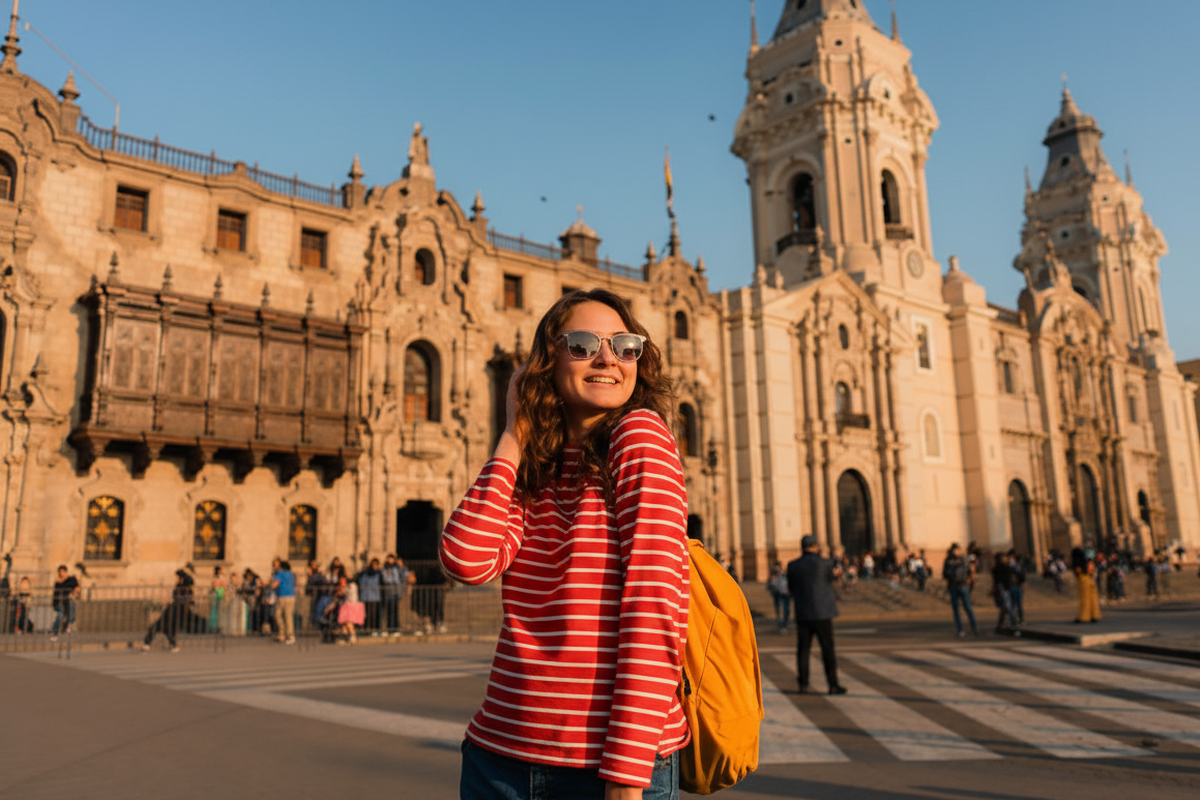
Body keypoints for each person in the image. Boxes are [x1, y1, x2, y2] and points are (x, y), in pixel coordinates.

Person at [440, 289, 688, 799]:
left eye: (625, 345)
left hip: (599, 767)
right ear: (548, 360)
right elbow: (465, 560)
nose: (607, 358)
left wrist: (626, 774)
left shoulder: (640, 435)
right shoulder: (538, 466)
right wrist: (514, 434)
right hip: (498, 757)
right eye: (581, 344)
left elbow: (655, 603)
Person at [787, 535, 846, 695]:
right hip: (823, 613)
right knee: (827, 650)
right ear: (815, 547)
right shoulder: (825, 564)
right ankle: (832, 684)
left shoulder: (793, 566)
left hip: (803, 612)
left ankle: (803, 684)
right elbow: (831, 580)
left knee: (803, 650)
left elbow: (791, 588)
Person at [142, 567, 197, 652]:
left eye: (179, 578)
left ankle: (148, 644)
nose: (177, 580)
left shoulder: (184, 590)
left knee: (161, 627)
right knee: (164, 628)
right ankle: (171, 645)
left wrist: (174, 603)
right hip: (173, 611)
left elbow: (184, 600)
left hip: (175, 612)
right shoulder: (183, 589)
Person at [943, 544, 977, 637]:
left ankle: (974, 626)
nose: (956, 553)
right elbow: (945, 573)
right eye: (954, 551)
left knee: (967, 607)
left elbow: (970, 570)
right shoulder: (949, 561)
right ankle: (960, 629)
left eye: (957, 550)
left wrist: (971, 580)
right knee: (956, 609)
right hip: (953, 586)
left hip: (963, 585)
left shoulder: (964, 559)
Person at [380, 554, 413, 633]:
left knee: (395, 611)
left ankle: (395, 628)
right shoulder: (385, 569)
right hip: (388, 592)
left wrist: (402, 566)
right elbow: (387, 579)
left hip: (397, 592)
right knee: (389, 612)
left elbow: (405, 574)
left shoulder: (397, 568)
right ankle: (389, 628)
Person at [50, 564, 80, 642]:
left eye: (63, 572)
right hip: (60, 602)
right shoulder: (58, 582)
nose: (61, 574)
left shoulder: (71, 579)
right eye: (60, 572)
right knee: (60, 615)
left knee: (71, 603)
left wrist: (75, 593)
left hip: (67, 600)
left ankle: (70, 622)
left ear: (66, 572)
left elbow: (76, 588)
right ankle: (55, 633)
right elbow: (55, 594)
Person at [1072, 547, 1101, 623]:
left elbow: (1078, 571)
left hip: (1083, 579)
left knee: (1085, 599)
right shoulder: (1086, 561)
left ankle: (1084, 617)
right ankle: (1094, 615)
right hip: (1090, 579)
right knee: (1093, 599)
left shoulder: (1077, 562)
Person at [990, 553, 1017, 634]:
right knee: (1007, 607)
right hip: (1003, 589)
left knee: (1005, 608)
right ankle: (1011, 624)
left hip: (1005, 589)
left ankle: (1005, 623)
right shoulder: (1001, 568)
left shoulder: (1003, 568)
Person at [272, 559, 296, 644]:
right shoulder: (291, 574)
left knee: (278, 614)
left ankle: (285, 633)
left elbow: (275, 584)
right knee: (288, 616)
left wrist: (270, 584)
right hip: (291, 596)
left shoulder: (280, 573)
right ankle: (288, 635)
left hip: (283, 596)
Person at [358, 557, 383, 635]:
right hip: (367, 596)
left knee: (375, 614)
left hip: (375, 597)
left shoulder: (379, 574)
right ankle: (367, 629)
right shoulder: (365, 573)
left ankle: (374, 629)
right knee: (367, 614)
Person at [767, 561, 790, 634]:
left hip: (786, 594)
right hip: (777, 595)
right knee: (779, 610)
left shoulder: (785, 575)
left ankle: (784, 624)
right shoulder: (772, 576)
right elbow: (769, 585)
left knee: (786, 610)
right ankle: (782, 625)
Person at [1006, 550, 1025, 626]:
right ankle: (1014, 620)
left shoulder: (1017, 565)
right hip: (1012, 587)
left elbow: (1022, 576)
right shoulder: (1009, 566)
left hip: (1017, 586)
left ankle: (1020, 619)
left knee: (1018, 605)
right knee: (1013, 605)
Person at [208, 566, 227, 633]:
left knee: (220, 612)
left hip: (220, 595)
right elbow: (215, 586)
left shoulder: (221, 578)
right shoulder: (215, 578)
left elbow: (224, 586)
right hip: (216, 595)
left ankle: (218, 626)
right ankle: (214, 626)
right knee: (215, 611)